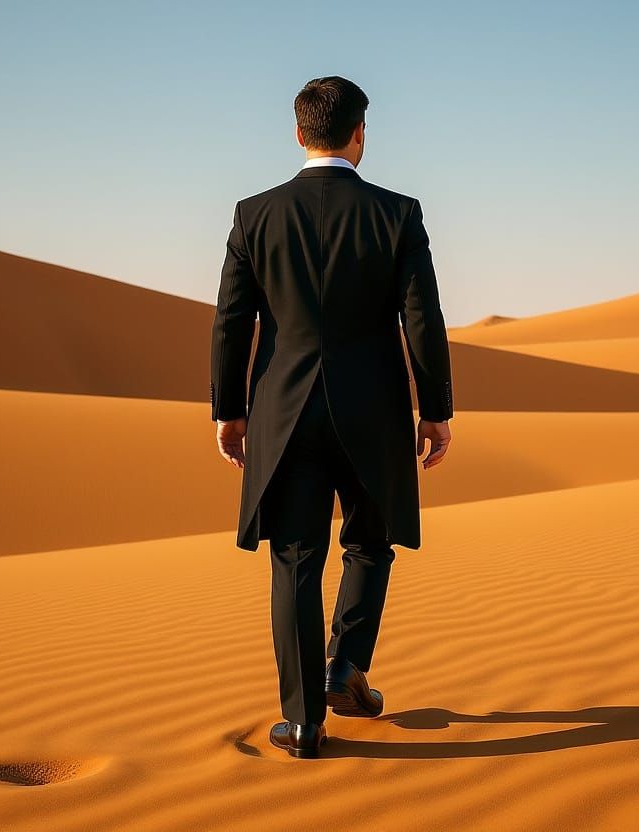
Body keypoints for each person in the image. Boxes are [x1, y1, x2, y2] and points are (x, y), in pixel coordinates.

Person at [209, 75, 454, 758]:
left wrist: (230, 411)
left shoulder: (254, 214)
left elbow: (231, 321)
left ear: (298, 133)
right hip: (372, 411)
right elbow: (423, 319)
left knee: (295, 559)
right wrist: (435, 410)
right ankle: (345, 665)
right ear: (359, 134)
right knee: (369, 542)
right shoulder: (397, 214)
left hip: (283, 413)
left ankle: (302, 723)